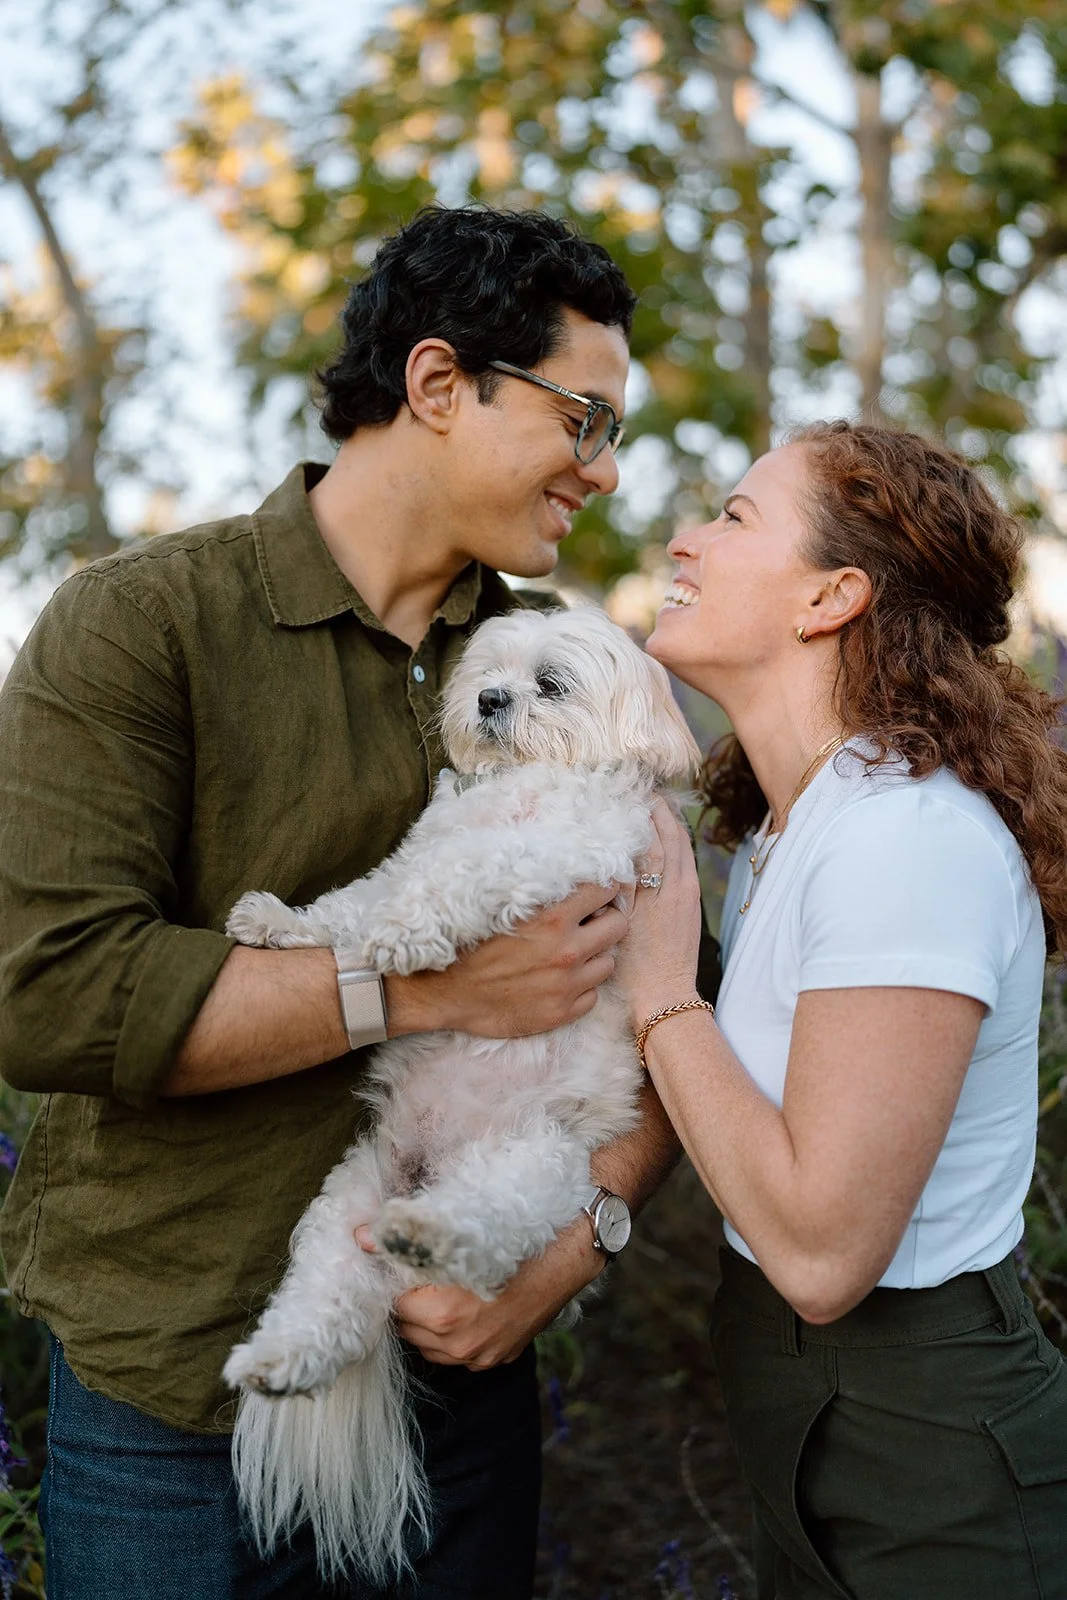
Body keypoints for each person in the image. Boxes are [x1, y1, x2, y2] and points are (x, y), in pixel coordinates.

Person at [0, 206, 704, 1600]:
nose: (602, 472)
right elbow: (49, 991)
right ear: (437, 385)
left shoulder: (564, 670)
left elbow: (681, 1006)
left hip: (460, 1390)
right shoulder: (144, 623)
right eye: (581, 419)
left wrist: (577, 1242)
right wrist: (422, 989)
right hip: (177, 1404)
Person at [616, 421, 1067, 1600]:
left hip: (923, 1443)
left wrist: (664, 993)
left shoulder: (902, 836)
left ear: (830, 595)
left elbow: (820, 1252)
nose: (685, 538)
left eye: (732, 516)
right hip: (806, 1408)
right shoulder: (797, 821)